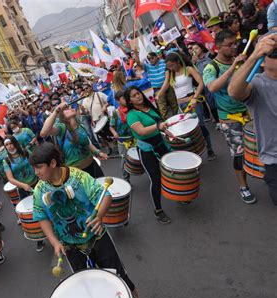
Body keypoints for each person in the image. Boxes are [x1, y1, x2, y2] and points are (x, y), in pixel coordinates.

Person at [30, 143, 146, 298]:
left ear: (52, 163)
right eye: (34, 168)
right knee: (87, 287)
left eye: (39, 167)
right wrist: (54, 242)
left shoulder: (78, 177)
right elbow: (42, 218)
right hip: (71, 247)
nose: (36, 172)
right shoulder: (39, 190)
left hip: (97, 237)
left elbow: (105, 196)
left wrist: (99, 217)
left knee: (121, 278)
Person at [203, 30, 257, 204]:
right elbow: (212, 87)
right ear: (218, 47)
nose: (235, 46)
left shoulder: (239, 60)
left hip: (248, 112)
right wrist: (232, 68)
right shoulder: (212, 67)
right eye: (230, 44)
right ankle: (243, 187)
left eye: (236, 42)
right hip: (229, 118)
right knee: (239, 154)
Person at [228, 31, 277, 204]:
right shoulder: (257, 83)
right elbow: (234, 91)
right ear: (262, 61)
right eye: (274, 53)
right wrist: (254, 54)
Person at [125, 87, 174, 224]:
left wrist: (168, 132)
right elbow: (141, 131)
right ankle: (158, 210)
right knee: (156, 179)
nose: (138, 96)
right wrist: (158, 126)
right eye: (134, 95)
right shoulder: (132, 115)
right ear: (130, 100)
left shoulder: (150, 107)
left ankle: (178, 194)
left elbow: (160, 124)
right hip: (147, 149)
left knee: (171, 171)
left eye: (138, 93)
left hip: (161, 143)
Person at [158, 52, 217, 160]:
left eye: (172, 65)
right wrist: (158, 96)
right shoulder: (170, 73)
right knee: (186, 130)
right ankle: (194, 153)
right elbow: (165, 85)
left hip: (192, 102)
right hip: (180, 104)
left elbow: (200, 83)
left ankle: (210, 149)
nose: (170, 68)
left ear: (178, 62)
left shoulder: (188, 69)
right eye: (168, 67)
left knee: (200, 126)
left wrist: (195, 97)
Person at [40, 101, 108, 178]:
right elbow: (43, 132)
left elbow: (88, 143)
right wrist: (57, 110)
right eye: (66, 108)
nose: (70, 107)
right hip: (77, 174)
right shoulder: (62, 128)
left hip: (93, 165)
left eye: (70, 106)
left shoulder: (80, 125)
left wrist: (98, 152)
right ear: (62, 116)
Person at [3, 136, 45, 252]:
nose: (9, 146)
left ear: (15, 143)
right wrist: (23, 186)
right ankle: (39, 239)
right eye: (7, 145)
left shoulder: (26, 152)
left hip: (37, 183)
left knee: (47, 206)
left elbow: (35, 164)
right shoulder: (6, 160)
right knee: (33, 215)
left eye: (11, 143)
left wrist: (40, 176)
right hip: (23, 189)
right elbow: (10, 178)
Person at [136, 52, 178, 119]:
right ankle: (167, 124)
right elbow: (139, 64)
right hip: (157, 89)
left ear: (156, 57)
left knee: (174, 105)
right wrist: (136, 55)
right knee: (162, 108)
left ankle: (178, 119)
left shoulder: (164, 63)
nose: (151, 60)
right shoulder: (148, 66)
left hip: (168, 87)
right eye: (149, 59)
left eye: (152, 58)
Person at [78, 84, 113, 154]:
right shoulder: (85, 100)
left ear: (91, 87)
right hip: (95, 120)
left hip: (105, 117)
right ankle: (109, 148)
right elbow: (86, 113)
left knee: (112, 132)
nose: (85, 90)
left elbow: (110, 100)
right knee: (102, 136)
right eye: (83, 89)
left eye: (86, 88)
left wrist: (105, 106)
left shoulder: (99, 94)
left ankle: (117, 144)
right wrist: (83, 110)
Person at [191, 42, 220, 123]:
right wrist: (194, 63)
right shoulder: (194, 61)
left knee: (221, 102)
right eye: (193, 49)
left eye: (196, 48)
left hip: (216, 83)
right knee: (212, 104)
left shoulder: (209, 55)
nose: (195, 51)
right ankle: (218, 121)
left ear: (201, 48)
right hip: (205, 87)